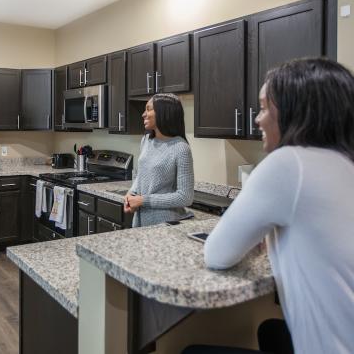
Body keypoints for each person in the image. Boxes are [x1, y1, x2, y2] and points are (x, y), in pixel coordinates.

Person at [188, 58, 354, 354]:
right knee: (270, 330)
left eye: (264, 107)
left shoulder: (289, 164)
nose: (257, 119)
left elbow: (217, 254)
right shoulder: (343, 164)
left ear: (296, 112)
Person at [124, 93, 194, 226]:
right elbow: (141, 175)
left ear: (164, 113)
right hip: (140, 220)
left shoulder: (181, 148)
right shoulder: (146, 140)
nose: (143, 114)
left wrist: (143, 200)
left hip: (164, 224)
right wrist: (131, 195)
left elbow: (185, 197)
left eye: (148, 109)